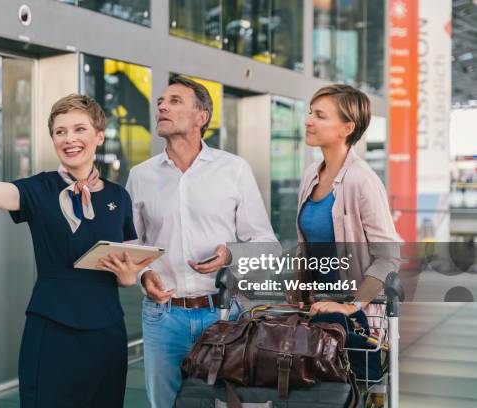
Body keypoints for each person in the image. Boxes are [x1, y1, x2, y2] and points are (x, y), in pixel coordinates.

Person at [0, 94, 152, 408]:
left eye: (79, 129)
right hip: (52, 327)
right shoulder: (39, 189)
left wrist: (129, 276)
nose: (69, 139)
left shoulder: (119, 197)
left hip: (107, 331)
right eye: (60, 132)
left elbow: (126, 269)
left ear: (99, 136)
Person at [126, 75, 279, 408]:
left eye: (175, 101)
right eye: (160, 103)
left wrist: (230, 255)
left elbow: (269, 247)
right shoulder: (141, 176)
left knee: (231, 403)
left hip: (224, 314)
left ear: (201, 116)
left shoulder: (234, 169)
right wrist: (143, 275)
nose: (162, 106)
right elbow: (132, 246)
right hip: (162, 317)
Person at [291, 84, 401, 378]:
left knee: (352, 392)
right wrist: (298, 281)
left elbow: (389, 257)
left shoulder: (362, 181)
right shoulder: (311, 174)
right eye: (310, 113)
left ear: (347, 128)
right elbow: (309, 244)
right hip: (319, 311)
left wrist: (351, 305)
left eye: (320, 116)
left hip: (356, 321)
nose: (308, 121)